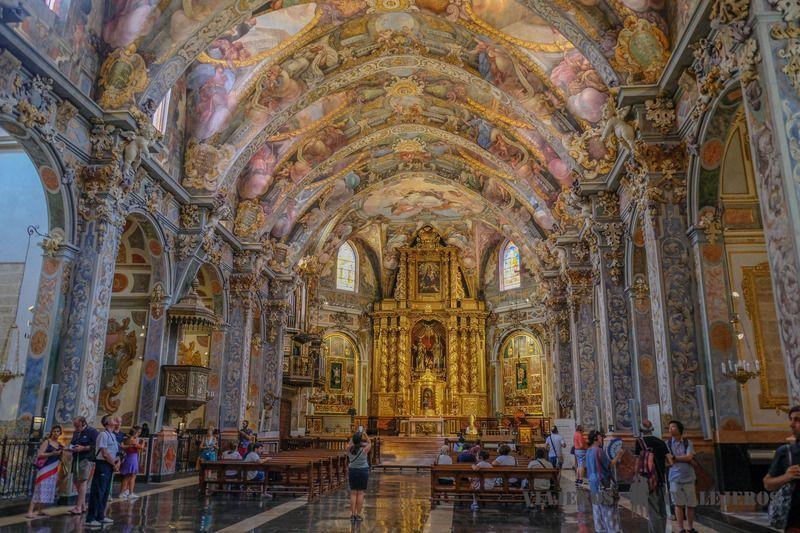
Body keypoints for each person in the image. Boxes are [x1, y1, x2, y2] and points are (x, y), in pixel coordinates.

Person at [764, 405, 800, 532]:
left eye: (797, 420)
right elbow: (768, 484)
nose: (792, 424)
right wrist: (787, 477)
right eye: (791, 419)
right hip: (795, 522)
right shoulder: (786, 451)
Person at [634, 420, 670, 533]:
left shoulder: (639, 442)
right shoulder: (661, 442)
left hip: (647, 482)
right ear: (652, 429)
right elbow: (671, 462)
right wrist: (660, 466)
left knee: (652, 511)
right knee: (662, 510)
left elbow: (637, 463)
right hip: (661, 480)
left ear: (641, 430)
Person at [86, 415, 121, 528]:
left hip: (110, 465)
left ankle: (100, 515)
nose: (114, 420)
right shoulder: (103, 434)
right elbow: (105, 453)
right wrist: (113, 464)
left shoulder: (112, 435)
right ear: (107, 423)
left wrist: (117, 461)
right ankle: (91, 518)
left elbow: (114, 451)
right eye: (112, 419)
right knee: (98, 491)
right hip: (103, 465)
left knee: (105, 492)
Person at [666, 419, 697, 533]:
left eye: (673, 427)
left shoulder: (688, 443)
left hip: (689, 477)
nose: (670, 429)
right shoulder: (667, 444)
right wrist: (677, 458)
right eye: (669, 427)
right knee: (678, 503)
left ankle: (690, 527)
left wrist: (674, 457)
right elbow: (669, 459)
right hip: (674, 477)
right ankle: (680, 528)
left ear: (680, 429)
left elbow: (689, 457)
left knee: (691, 504)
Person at [586, 430, 621, 533]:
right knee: (608, 512)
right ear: (596, 438)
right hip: (603, 483)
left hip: (593, 484)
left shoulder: (589, 451)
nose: (602, 439)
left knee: (597, 512)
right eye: (601, 437)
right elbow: (609, 465)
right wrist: (618, 455)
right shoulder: (599, 451)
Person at [27, 425, 64, 519]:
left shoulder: (59, 445)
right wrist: (52, 453)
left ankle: (40, 510)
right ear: (51, 432)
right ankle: (30, 511)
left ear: (60, 433)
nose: (56, 433)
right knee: (39, 488)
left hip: (53, 469)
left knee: (47, 490)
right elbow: (40, 454)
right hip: (45, 468)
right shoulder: (47, 442)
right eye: (54, 431)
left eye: (58, 431)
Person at [68, 416, 98, 515]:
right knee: (75, 481)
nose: (75, 427)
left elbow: (96, 445)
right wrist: (71, 448)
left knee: (82, 481)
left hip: (86, 459)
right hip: (76, 458)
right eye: (74, 426)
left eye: (77, 425)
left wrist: (83, 448)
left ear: (83, 423)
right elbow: (73, 443)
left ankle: (78, 507)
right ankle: (83, 505)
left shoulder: (92, 431)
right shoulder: (76, 432)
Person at [347, 431, 371, 522]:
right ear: (361, 441)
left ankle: (352, 515)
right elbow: (369, 443)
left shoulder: (349, 449)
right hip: (363, 471)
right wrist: (365, 434)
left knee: (353, 493)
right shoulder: (364, 449)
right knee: (360, 493)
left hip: (352, 470)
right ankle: (358, 514)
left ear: (353, 440)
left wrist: (354, 437)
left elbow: (350, 443)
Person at [119, 425, 142, 500]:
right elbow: (140, 447)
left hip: (129, 457)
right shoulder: (133, 440)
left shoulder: (127, 439)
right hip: (132, 458)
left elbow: (124, 447)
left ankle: (125, 492)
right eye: (137, 433)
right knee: (132, 476)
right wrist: (143, 443)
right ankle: (129, 493)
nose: (138, 434)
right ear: (134, 433)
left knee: (127, 476)